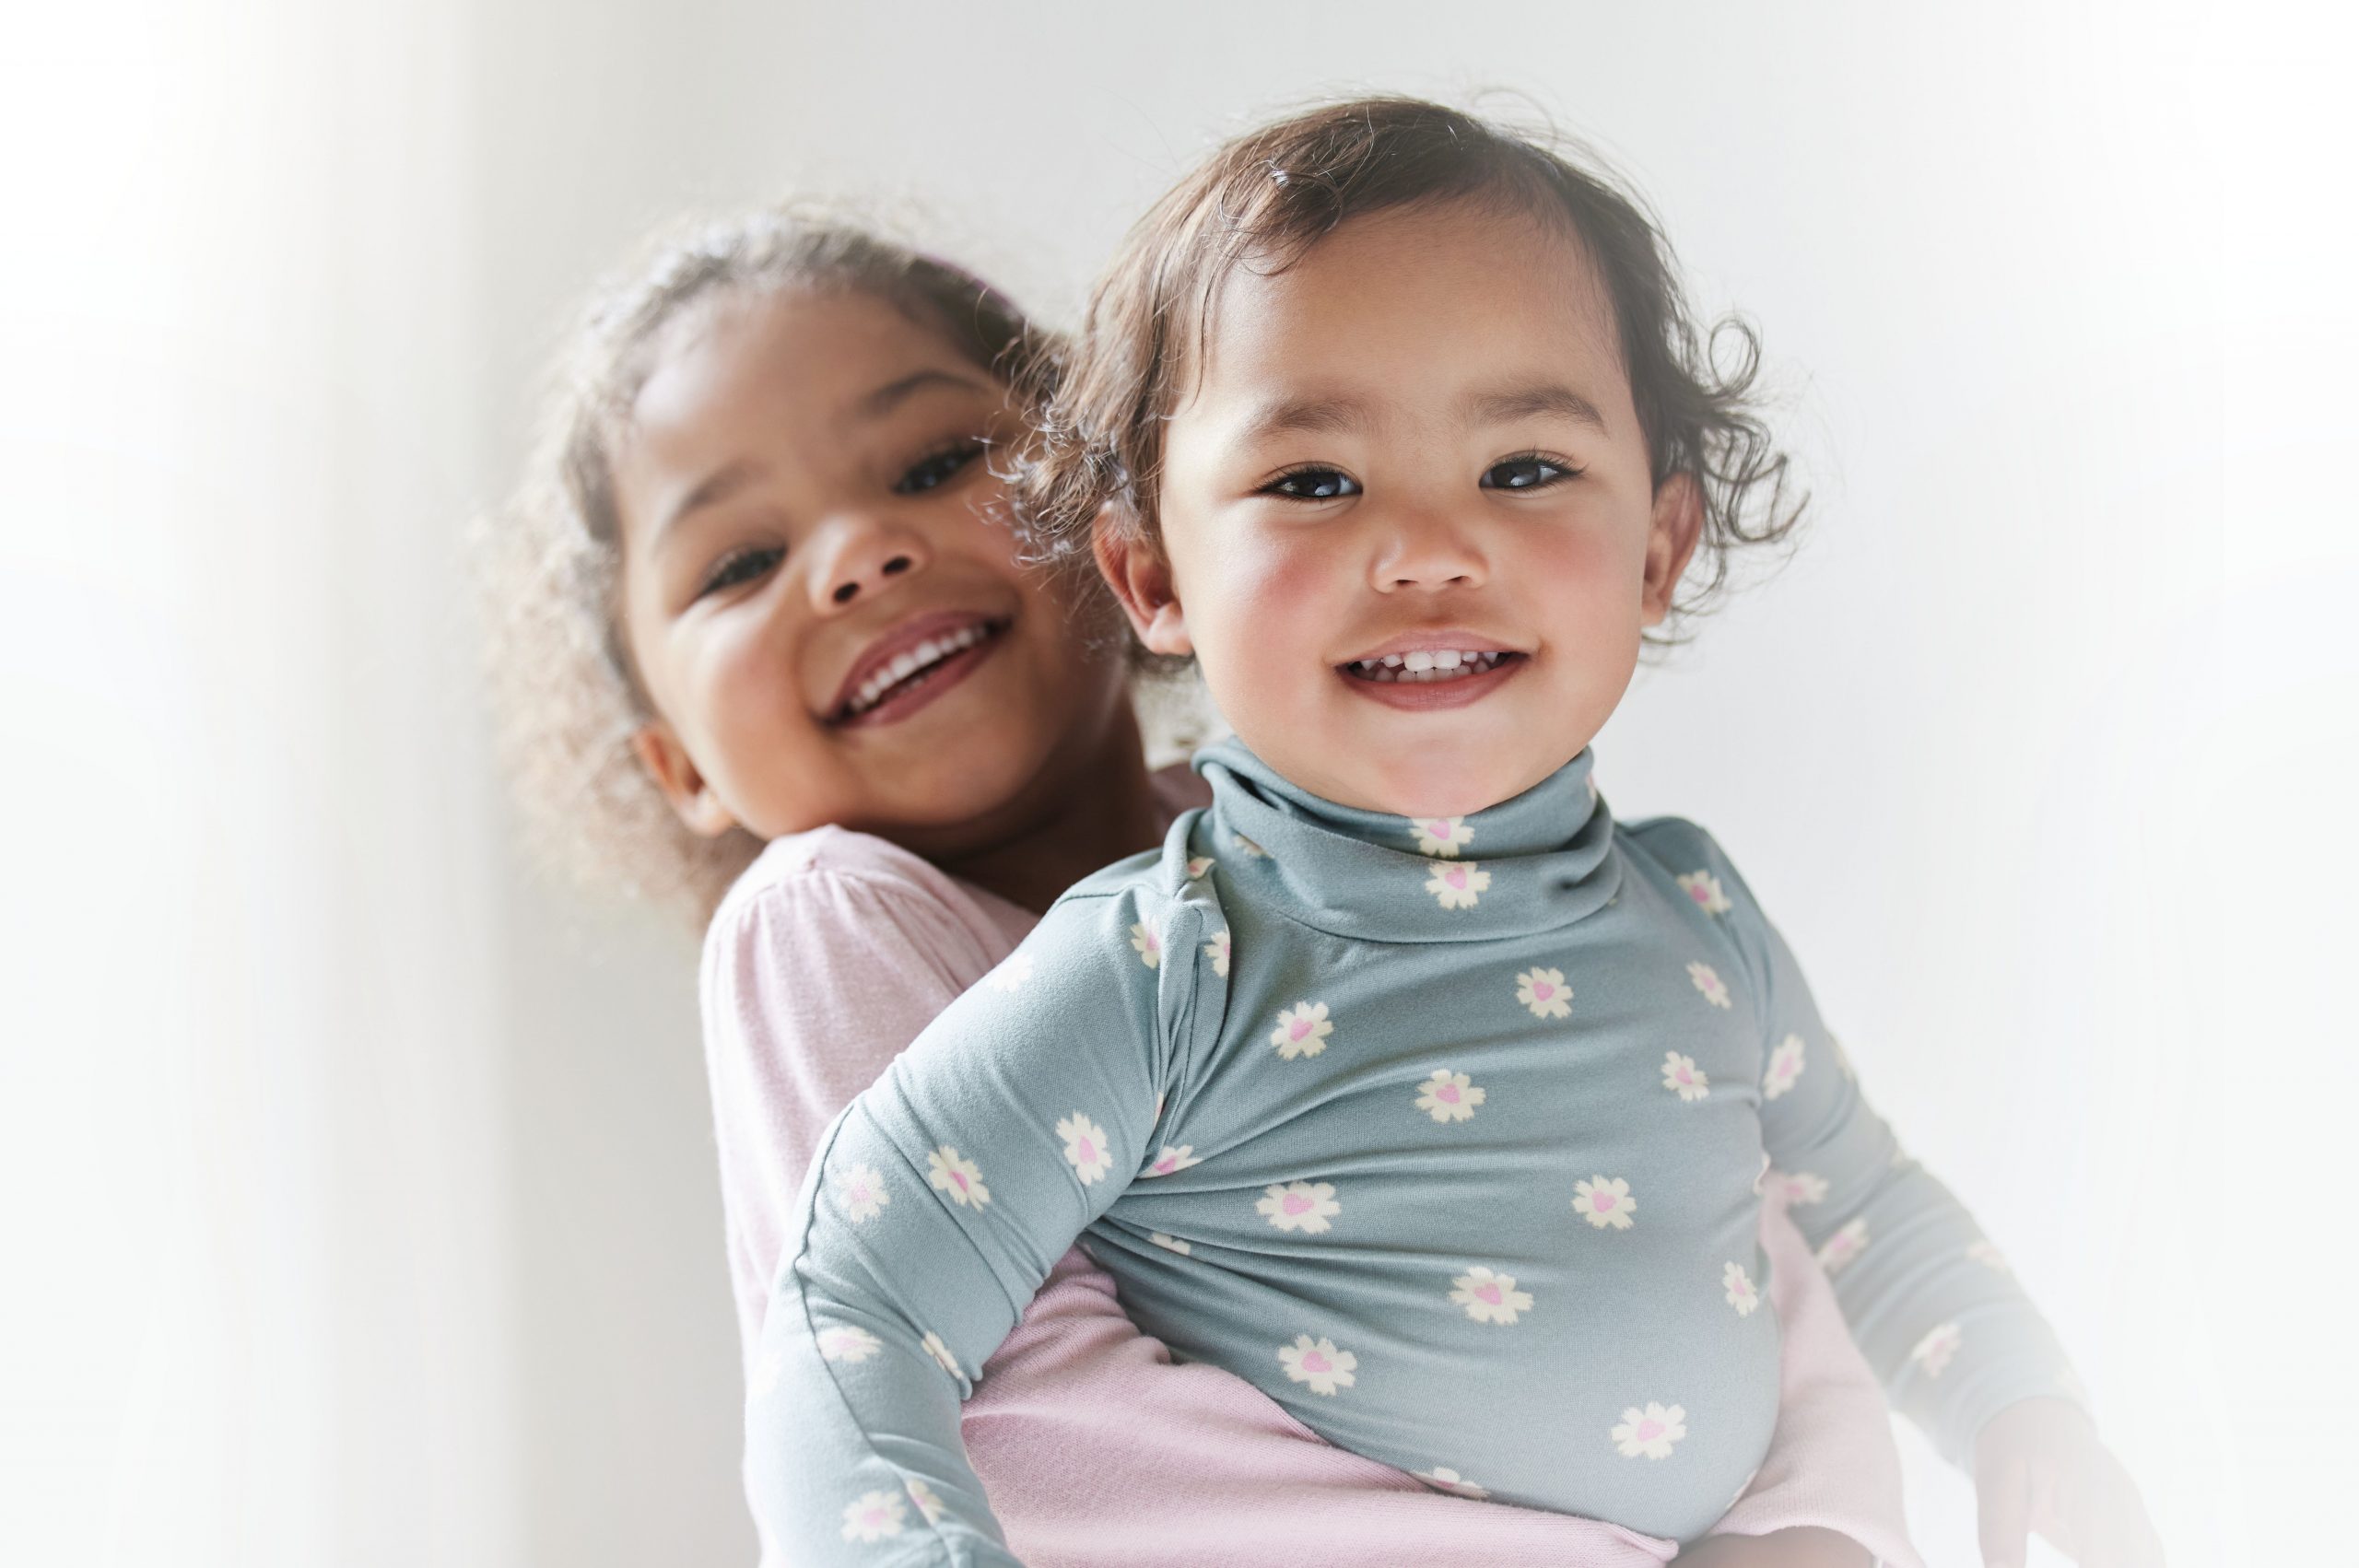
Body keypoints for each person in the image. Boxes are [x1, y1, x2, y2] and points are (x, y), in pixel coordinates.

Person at [744, 100, 2165, 1567]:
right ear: (1153, 576)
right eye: (1312, 481)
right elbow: (853, 1308)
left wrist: (2023, 1407)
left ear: (1660, 547)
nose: (1426, 545)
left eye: (1525, 466)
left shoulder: (1700, 919)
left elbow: (1868, 1210)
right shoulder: (1164, 965)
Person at [479, 205, 1920, 1566]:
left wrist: (1813, 1520)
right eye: (738, 559)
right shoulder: (823, 919)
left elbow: (1697, 1171)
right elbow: (1030, 1433)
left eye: (933, 462)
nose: (860, 556)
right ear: (677, 765)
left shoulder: (1333, 847)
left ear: (1126, 520)